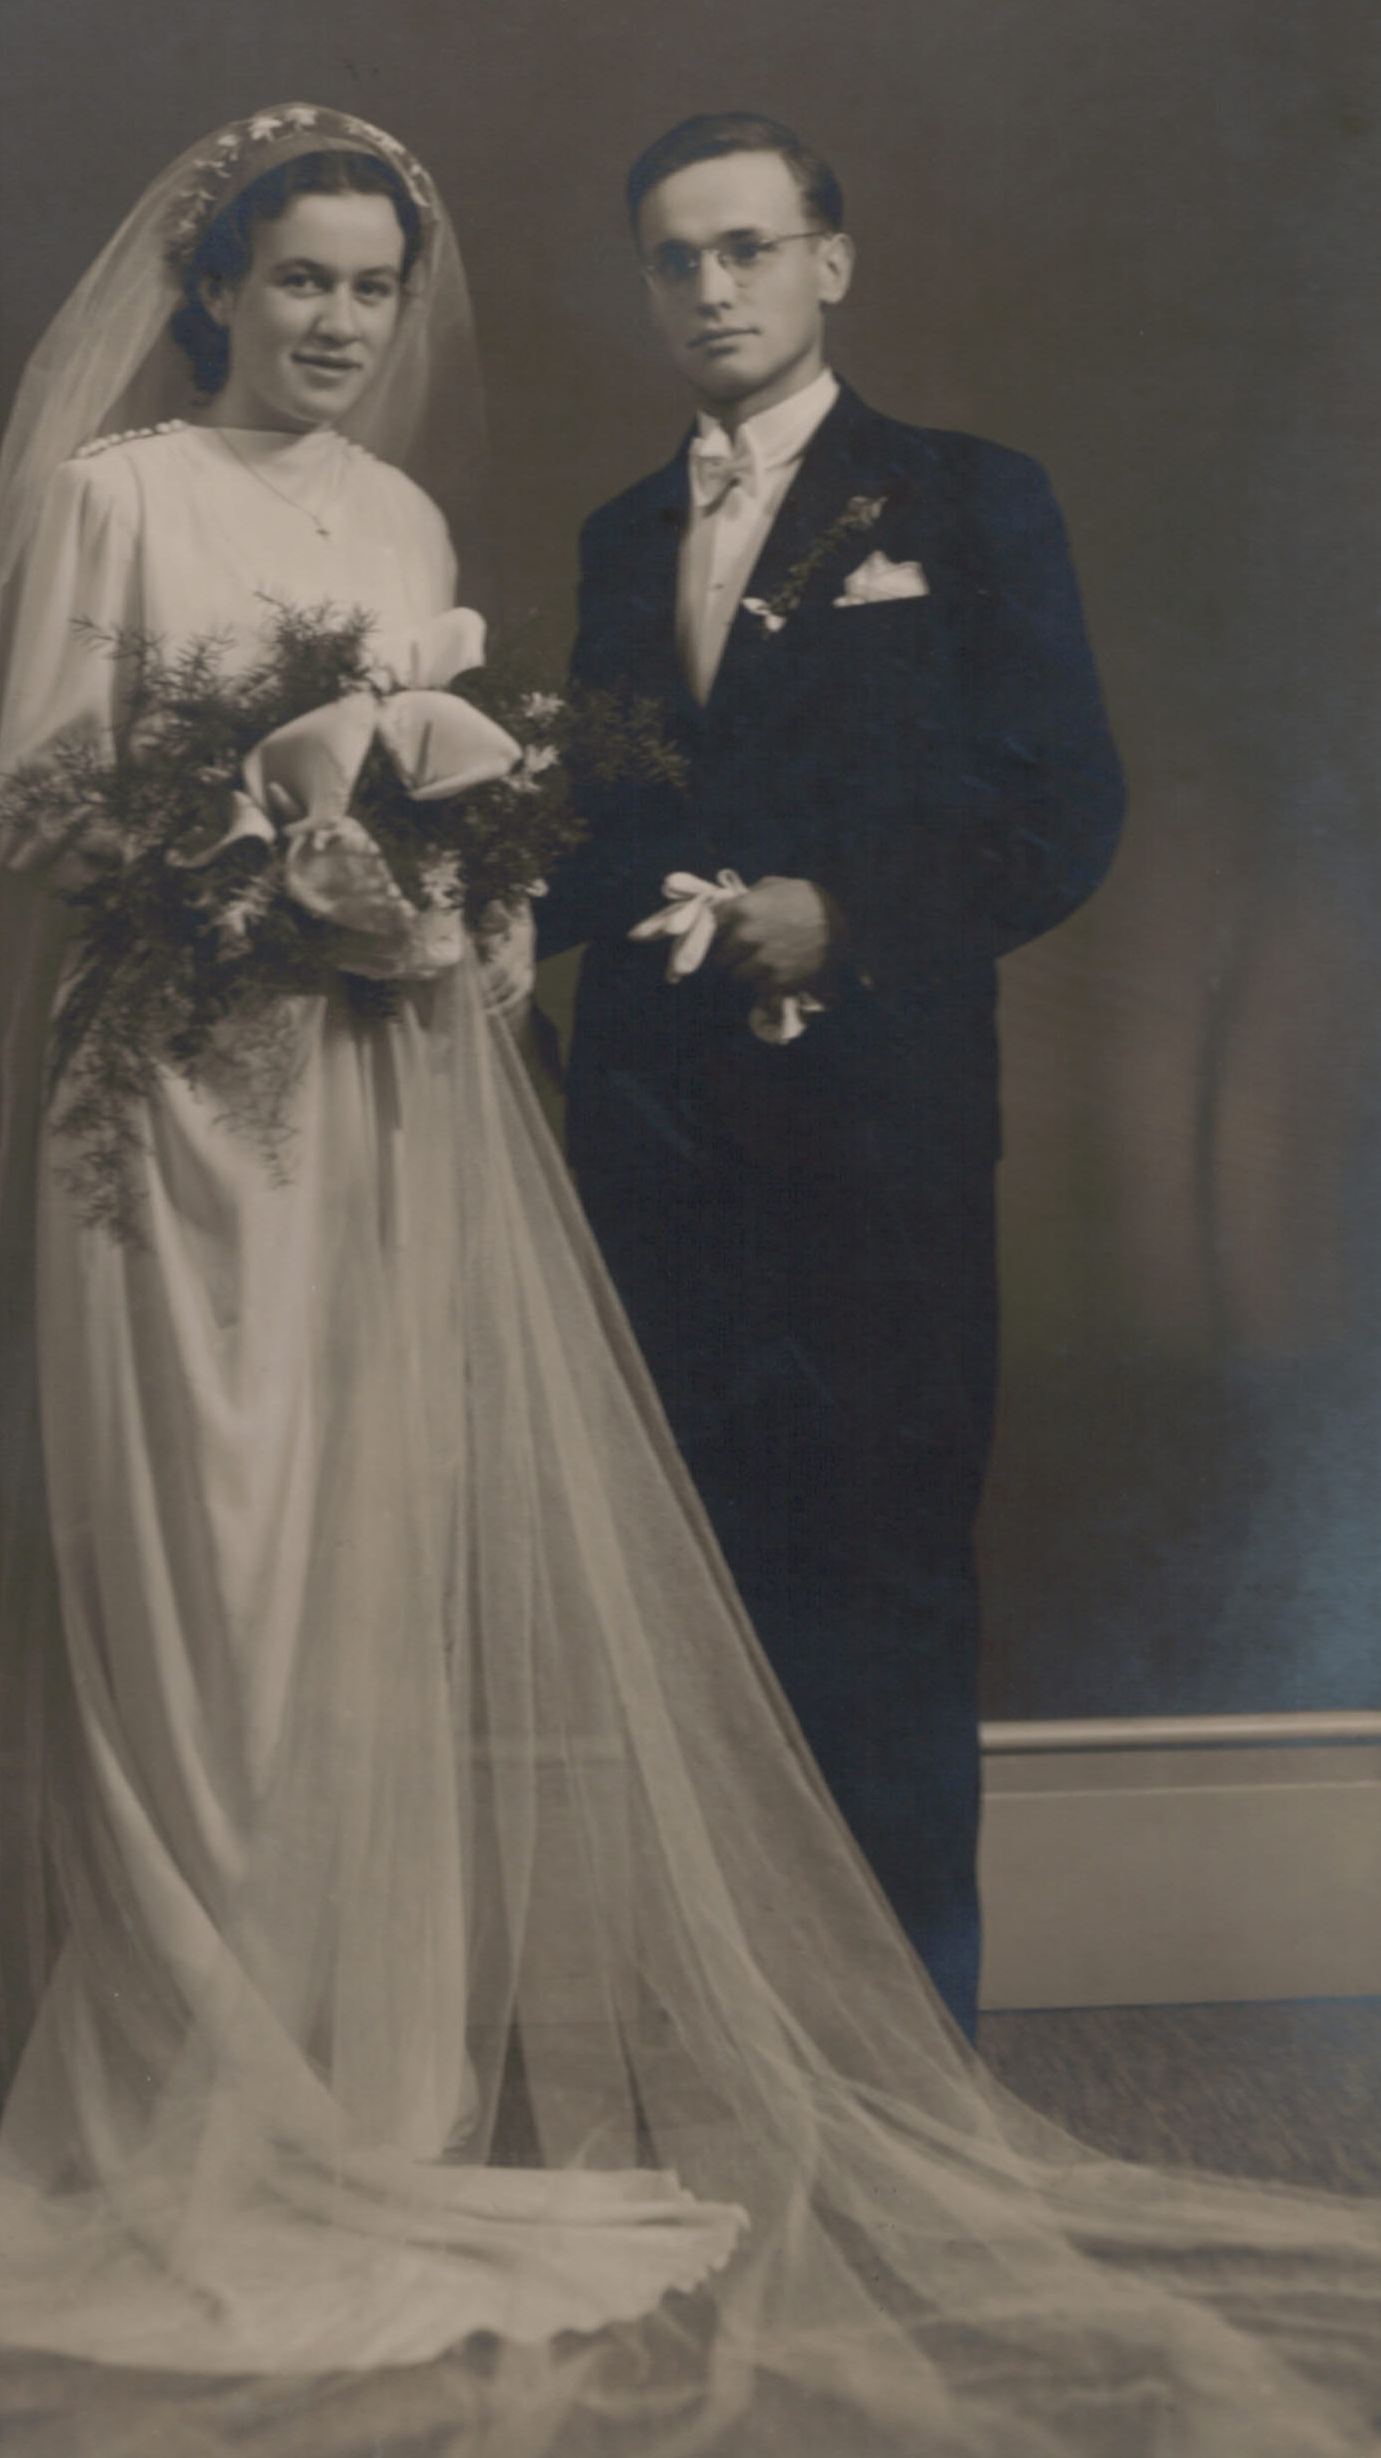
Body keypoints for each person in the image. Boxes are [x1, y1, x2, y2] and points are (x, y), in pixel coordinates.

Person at [0, 109, 1381, 2458]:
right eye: (297, 279)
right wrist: (364, 896)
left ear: (826, 260)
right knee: (252, 1585)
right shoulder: (267, 510)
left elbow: (978, 802)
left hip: (621, 1142)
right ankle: (258, 2092)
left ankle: (745, 2085)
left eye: (371, 286)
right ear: (216, 289)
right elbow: (168, 822)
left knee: (580, 1598)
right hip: (292, 1134)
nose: (337, 320)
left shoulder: (714, 512)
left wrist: (597, 911)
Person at [539, 111, 1127, 2035]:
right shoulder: (621, 536)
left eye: (749, 249)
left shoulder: (967, 499)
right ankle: (726, 2041)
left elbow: (1063, 807)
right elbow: (604, 833)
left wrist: (846, 916)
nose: (712, 288)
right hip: (655, 1140)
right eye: (676, 259)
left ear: (831, 264)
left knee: (883, 1581)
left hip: (881, 1139)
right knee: (691, 1583)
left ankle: (909, 2062)